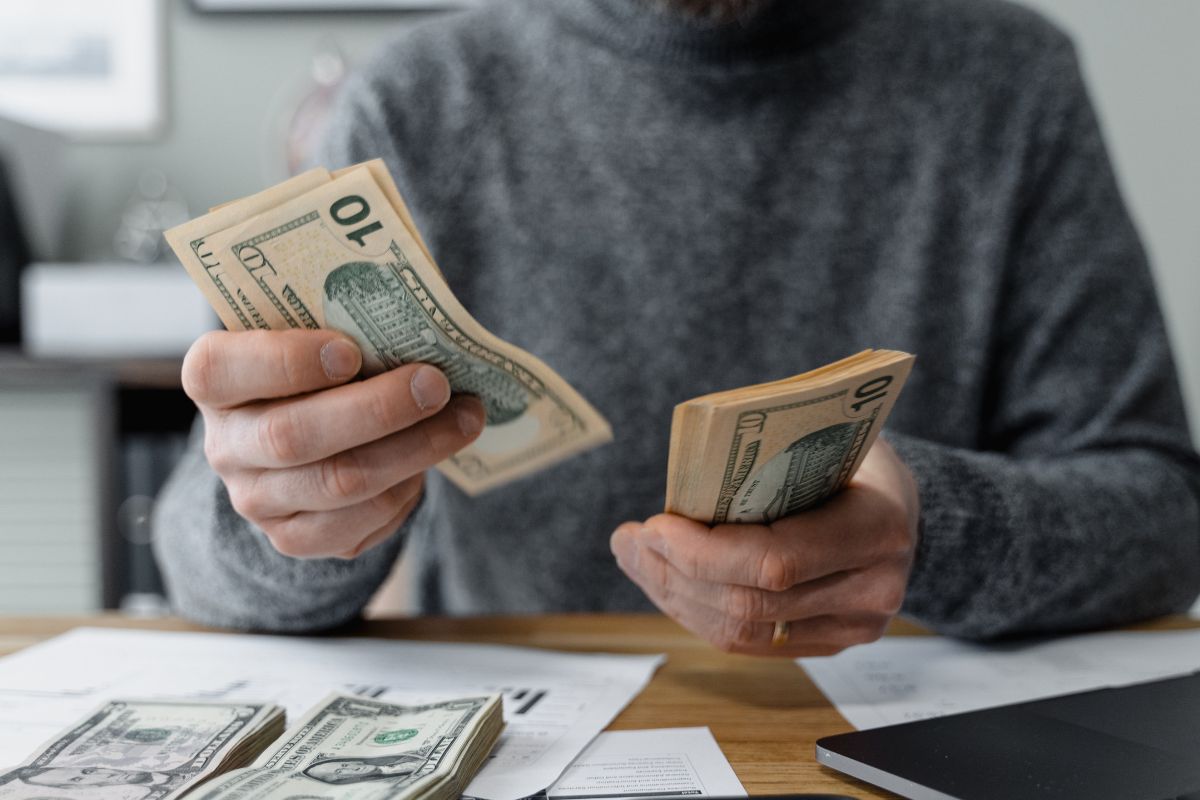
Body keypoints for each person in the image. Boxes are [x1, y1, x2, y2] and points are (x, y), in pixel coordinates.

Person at [153, 0, 1200, 655]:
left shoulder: (1010, 82)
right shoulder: (413, 102)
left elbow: (1165, 515)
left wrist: (935, 528)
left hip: (902, 745)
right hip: (523, 739)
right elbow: (198, 551)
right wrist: (294, 512)